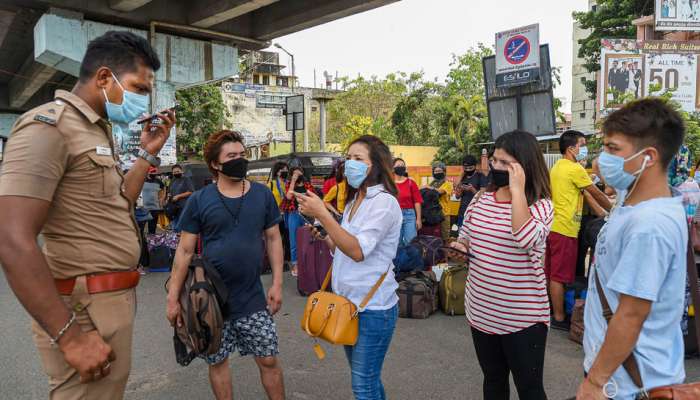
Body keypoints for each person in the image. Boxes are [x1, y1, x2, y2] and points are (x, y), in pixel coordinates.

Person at [0, 31, 175, 399]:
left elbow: (118, 202)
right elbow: (12, 238)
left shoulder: (93, 131)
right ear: (104, 78)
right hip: (83, 310)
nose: (143, 100)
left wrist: (147, 153)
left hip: (109, 300)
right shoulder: (48, 128)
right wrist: (70, 336)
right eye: (138, 88)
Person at [575, 99, 688, 400]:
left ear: (648, 157)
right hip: (622, 373)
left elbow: (631, 314)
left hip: (627, 385)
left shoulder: (649, 225)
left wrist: (595, 382)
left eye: (613, 149)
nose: (603, 158)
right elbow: (612, 181)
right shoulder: (636, 196)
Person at [166, 130, 285, 400]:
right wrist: (173, 299)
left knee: (268, 359)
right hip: (209, 300)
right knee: (217, 362)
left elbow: (273, 238)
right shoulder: (199, 200)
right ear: (216, 164)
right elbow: (184, 252)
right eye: (232, 156)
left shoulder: (262, 195)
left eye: (242, 154)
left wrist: (278, 283)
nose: (240, 160)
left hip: (253, 298)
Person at [295, 135, 401, 400]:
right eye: (348, 157)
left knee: (363, 386)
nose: (349, 164)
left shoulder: (384, 203)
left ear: (375, 165)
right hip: (350, 306)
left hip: (373, 308)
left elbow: (357, 250)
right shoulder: (355, 202)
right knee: (367, 381)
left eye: (358, 159)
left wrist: (323, 214)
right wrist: (326, 233)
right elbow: (341, 247)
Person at [449, 130, 553, 400]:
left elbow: (525, 237)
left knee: (530, 390)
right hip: (481, 313)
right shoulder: (481, 200)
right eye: (495, 160)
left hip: (523, 319)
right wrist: (461, 250)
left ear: (524, 166)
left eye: (505, 163)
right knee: (493, 382)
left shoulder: (541, 206)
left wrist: (517, 190)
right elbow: (466, 239)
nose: (496, 167)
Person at [547, 130, 612, 330]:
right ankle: (558, 318)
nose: (584, 149)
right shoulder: (574, 169)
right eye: (581, 144)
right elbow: (597, 194)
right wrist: (616, 211)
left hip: (554, 226)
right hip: (565, 228)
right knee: (558, 276)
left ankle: (552, 312)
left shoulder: (557, 167)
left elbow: (587, 195)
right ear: (571, 148)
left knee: (551, 273)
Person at [280, 165, 314, 276]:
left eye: (299, 172)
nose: (298, 174)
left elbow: (312, 196)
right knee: (294, 240)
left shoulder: (307, 184)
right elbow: (289, 197)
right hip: (294, 214)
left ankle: (307, 263)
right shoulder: (289, 184)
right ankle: (295, 265)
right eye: (295, 173)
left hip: (306, 213)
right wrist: (293, 180)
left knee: (308, 238)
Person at [393, 157, 422, 246]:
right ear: (392, 168)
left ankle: (411, 260)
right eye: (398, 165)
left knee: (411, 243)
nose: (401, 167)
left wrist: (418, 219)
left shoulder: (411, 183)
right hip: (394, 216)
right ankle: (399, 260)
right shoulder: (389, 184)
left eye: (403, 165)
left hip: (409, 215)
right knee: (397, 244)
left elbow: (417, 201)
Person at [455, 154, 489, 229]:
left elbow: (483, 196)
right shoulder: (463, 176)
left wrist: (472, 189)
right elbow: (457, 196)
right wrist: (460, 190)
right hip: (462, 212)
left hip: (476, 213)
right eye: (465, 168)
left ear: (475, 166)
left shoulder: (480, 176)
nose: (468, 170)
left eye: (470, 168)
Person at [422, 162, 453, 241]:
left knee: (445, 236)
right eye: (436, 171)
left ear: (444, 172)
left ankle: (446, 252)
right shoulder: (432, 184)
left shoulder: (448, 184)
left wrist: (429, 187)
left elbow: (440, 192)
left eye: (440, 171)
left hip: (444, 213)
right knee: (435, 236)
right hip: (434, 214)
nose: (438, 173)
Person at [269, 161, 291, 265]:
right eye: (284, 170)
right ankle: (277, 260)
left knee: (287, 237)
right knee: (277, 238)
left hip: (287, 214)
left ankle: (286, 259)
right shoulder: (271, 185)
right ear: (278, 172)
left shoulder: (288, 184)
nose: (286, 172)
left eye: (287, 170)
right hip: (276, 215)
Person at [168, 163, 195, 231]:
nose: (176, 173)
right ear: (172, 173)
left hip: (183, 207)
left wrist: (178, 196)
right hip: (174, 208)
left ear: (181, 171)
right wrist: (168, 196)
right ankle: (175, 240)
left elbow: (191, 192)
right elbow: (169, 191)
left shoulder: (186, 179)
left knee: (182, 227)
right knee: (174, 227)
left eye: (178, 171)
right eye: (174, 172)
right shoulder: (172, 180)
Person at [141, 166, 165, 235]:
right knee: (141, 227)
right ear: (148, 172)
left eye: (155, 172)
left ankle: (152, 241)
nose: (154, 173)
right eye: (152, 172)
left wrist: (162, 198)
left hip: (155, 208)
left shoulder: (158, 181)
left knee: (152, 227)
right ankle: (142, 242)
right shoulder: (142, 180)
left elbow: (163, 189)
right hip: (143, 207)